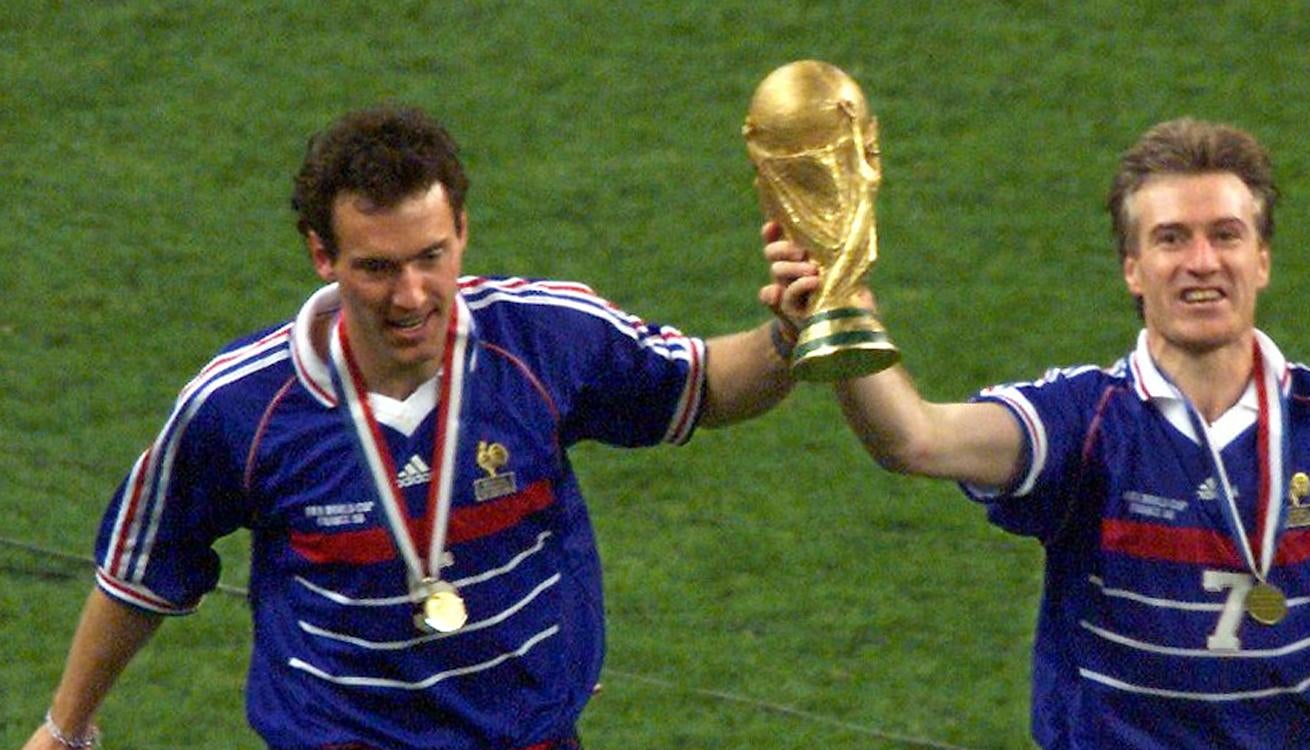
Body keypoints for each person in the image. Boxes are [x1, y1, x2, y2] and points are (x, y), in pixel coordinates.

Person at [26, 105, 801, 750]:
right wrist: (64, 730)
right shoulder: (242, 405)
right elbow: (141, 569)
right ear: (322, 255)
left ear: (462, 228)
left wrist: (793, 338)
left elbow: (703, 386)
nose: (411, 295)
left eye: (431, 256)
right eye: (377, 267)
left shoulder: (544, 339)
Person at [760, 117, 1310, 748]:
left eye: (1226, 235)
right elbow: (914, 439)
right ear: (1133, 269)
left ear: (1263, 259)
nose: (1201, 262)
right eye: (1171, 239)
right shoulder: (1089, 421)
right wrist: (840, 310)